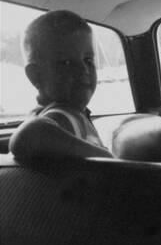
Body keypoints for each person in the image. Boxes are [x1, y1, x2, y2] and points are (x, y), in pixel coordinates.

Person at [9, 10, 113, 165]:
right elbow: (27, 136)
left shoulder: (73, 114)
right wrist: (109, 160)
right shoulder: (61, 115)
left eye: (88, 60)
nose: (83, 69)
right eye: (66, 63)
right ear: (35, 76)